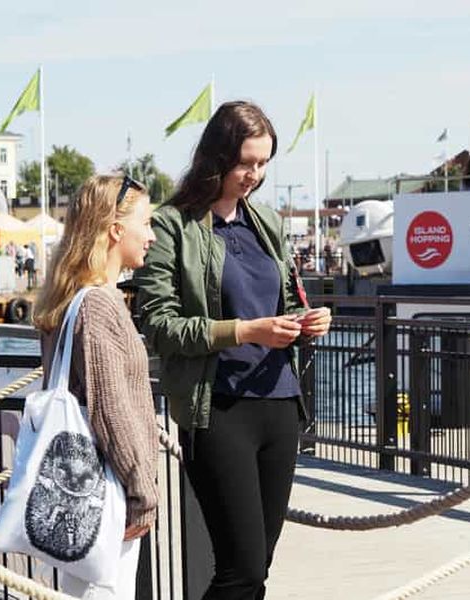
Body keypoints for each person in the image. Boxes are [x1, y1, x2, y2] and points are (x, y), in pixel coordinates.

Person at [132, 101, 332, 600]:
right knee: (240, 570)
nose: (255, 175)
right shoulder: (173, 226)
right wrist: (244, 331)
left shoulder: (266, 220)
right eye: (247, 163)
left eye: (263, 164)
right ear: (216, 157)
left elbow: (283, 301)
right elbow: (159, 325)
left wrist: (308, 323)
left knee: (255, 568)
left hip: (280, 406)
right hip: (218, 409)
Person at [32, 174, 159, 599]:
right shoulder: (101, 303)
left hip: (76, 488)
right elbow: (110, 409)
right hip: (108, 494)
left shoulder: (66, 299)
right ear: (116, 229)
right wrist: (143, 490)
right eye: (146, 223)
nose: (152, 236)